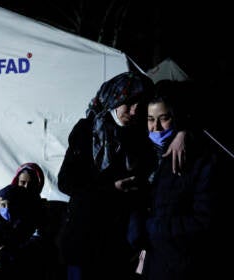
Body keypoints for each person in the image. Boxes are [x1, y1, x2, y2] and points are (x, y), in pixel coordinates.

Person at [57, 71, 187, 280]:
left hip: (119, 244)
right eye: (129, 102)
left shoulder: (143, 135)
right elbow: (66, 182)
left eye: (140, 103)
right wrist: (110, 189)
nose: (135, 110)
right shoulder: (87, 130)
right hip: (84, 236)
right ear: (116, 100)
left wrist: (183, 133)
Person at [137, 80, 220, 280]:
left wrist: (155, 227)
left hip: (182, 267)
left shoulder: (201, 161)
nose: (155, 127)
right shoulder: (152, 157)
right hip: (154, 262)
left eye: (163, 118)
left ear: (177, 118)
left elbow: (205, 221)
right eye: (150, 119)